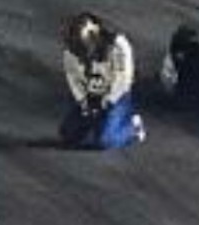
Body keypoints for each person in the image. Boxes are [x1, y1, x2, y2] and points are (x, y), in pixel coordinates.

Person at [59, 12, 146, 149]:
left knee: (105, 141)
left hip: (117, 97)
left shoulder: (118, 45)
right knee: (68, 135)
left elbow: (123, 80)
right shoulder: (71, 51)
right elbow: (73, 79)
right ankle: (97, 122)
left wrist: (107, 102)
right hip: (91, 95)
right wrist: (84, 101)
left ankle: (133, 128)